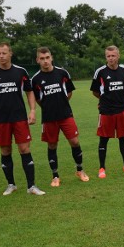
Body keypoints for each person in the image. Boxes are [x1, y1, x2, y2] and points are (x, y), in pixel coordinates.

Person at [0, 42, 46, 196]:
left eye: (4, 53)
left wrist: (33, 110)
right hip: (1, 118)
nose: (1, 56)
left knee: (24, 149)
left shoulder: (21, 72)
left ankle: (31, 186)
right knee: (6, 150)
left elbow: (30, 92)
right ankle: (11, 185)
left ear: (10, 53)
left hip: (19, 117)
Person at [31, 47, 90, 187]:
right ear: (37, 60)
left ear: (51, 58)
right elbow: (37, 99)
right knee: (52, 145)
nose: (45, 61)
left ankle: (80, 170)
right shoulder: (35, 79)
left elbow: (69, 93)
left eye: (47, 58)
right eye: (42, 58)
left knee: (75, 141)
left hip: (65, 115)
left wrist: (61, 104)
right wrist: (49, 106)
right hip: (48, 118)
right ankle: (55, 176)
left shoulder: (62, 73)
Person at [90, 45, 124, 178]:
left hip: (122, 110)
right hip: (106, 111)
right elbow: (95, 91)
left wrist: (119, 98)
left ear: (118, 56)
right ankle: (102, 168)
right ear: (106, 57)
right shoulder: (100, 72)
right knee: (104, 139)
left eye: (113, 56)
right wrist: (105, 100)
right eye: (108, 56)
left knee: (123, 138)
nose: (111, 58)